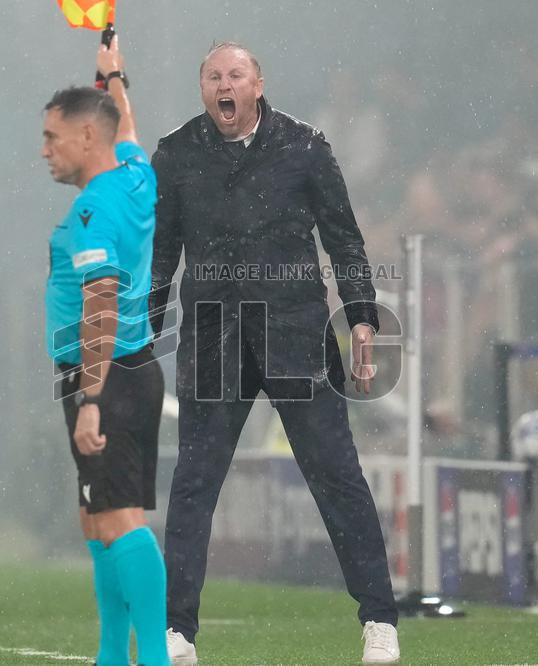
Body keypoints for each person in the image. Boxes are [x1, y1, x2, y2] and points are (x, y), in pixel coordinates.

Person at [150, 42, 400, 665]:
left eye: (235, 75)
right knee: (194, 484)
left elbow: (344, 238)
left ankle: (380, 619)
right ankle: (176, 631)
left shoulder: (305, 146)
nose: (224, 85)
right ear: (202, 88)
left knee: (337, 477)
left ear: (257, 85)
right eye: (213, 76)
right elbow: (162, 250)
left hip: (296, 333)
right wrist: (145, 327)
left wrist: (361, 317)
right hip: (214, 336)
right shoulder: (176, 153)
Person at [41, 39, 169, 666]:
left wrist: (91, 397)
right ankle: (113, 655)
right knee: (96, 519)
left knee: (119, 519)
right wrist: (112, 71)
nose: (45, 150)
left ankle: (156, 658)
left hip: (105, 374)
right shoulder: (135, 176)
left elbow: (102, 305)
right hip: (129, 370)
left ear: (88, 136)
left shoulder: (93, 210)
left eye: (52, 137)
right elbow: (128, 127)